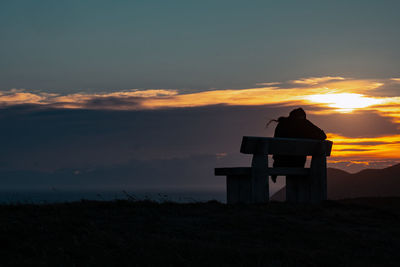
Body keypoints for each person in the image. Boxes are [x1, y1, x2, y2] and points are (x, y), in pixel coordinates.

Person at [268, 108, 326, 183]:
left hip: (280, 163)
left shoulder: (282, 124)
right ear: (302, 117)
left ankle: (275, 172)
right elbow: (322, 136)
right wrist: (308, 126)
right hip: (297, 164)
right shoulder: (303, 124)